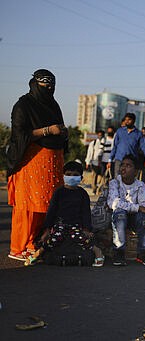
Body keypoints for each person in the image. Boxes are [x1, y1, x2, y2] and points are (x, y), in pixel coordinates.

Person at [6, 69, 68, 262]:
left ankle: (35, 244)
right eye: (45, 83)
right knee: (27, 206)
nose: (49, 87)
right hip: (30, 162)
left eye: (52, 84)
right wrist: (48, 130)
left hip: (51, 163)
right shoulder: (23, 105)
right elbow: (19, 135)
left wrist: (63, 132)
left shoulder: (53, 105)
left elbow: (60, 127)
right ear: (35, 83)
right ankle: (18, 247)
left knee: (46, 206)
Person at [24, 161, 104, 267]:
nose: (72, 177)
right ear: (63, 176)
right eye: (68, 174)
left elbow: (86, 213)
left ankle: (98, 252)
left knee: (81, 238)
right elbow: (51, 211)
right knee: (53, 238)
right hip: (60, 224)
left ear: (81, 177)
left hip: (76, 225)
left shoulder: (83, 194)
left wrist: (86, 229)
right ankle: (38, 254)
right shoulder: (58, 192)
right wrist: (47, 229)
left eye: (75, 175)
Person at [107, 155, 145, 266]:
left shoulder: (140, 185)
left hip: (134, 219)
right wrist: (138, 207)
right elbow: (113, 203)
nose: (123, 168)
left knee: (143, 218)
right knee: (120, 214)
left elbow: (144, 206)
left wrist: (141, 209)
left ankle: (143, 252)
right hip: (119, 219)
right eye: (122, 165)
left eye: (128, 166)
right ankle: (119, 251)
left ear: (136, 171)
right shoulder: (115, 183)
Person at [107, 113, 145, 178]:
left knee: (128, 180)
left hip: (131, 161)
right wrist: (110, 160)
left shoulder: (138, 134)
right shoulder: (120, 131)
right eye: (126, 120)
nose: (127, 121)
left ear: (133, 121)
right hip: (119, 159)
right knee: (118, 179)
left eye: (129, 120)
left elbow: (144, 146)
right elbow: (115, 146)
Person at [85, 130, 105, 195]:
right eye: (99, 135)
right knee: (94, 177)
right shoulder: (93, 143)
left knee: (103, 177)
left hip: (103, 162)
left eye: (101, 135)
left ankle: (100, 189)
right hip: (94, 162)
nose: (100, 136)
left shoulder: (105, 142)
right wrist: (87, 162)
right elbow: (90, 153)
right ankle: (94, 189)